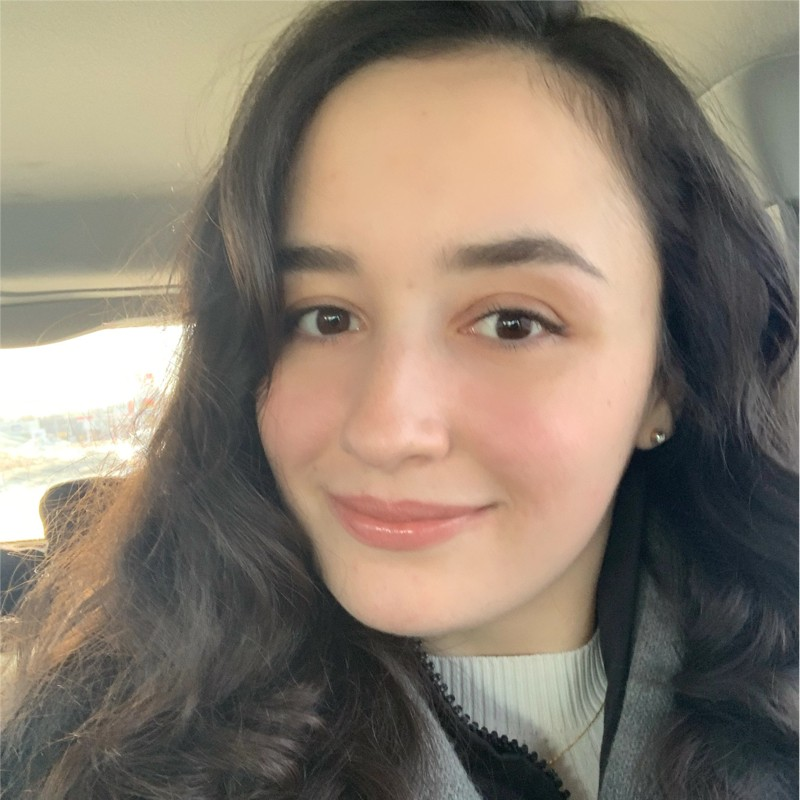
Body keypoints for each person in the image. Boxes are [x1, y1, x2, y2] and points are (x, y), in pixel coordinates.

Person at [2, 2, 797, 798]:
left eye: (512, 323)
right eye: (323, 318)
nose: (386, 428)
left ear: (667, 379)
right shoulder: (93, 747)